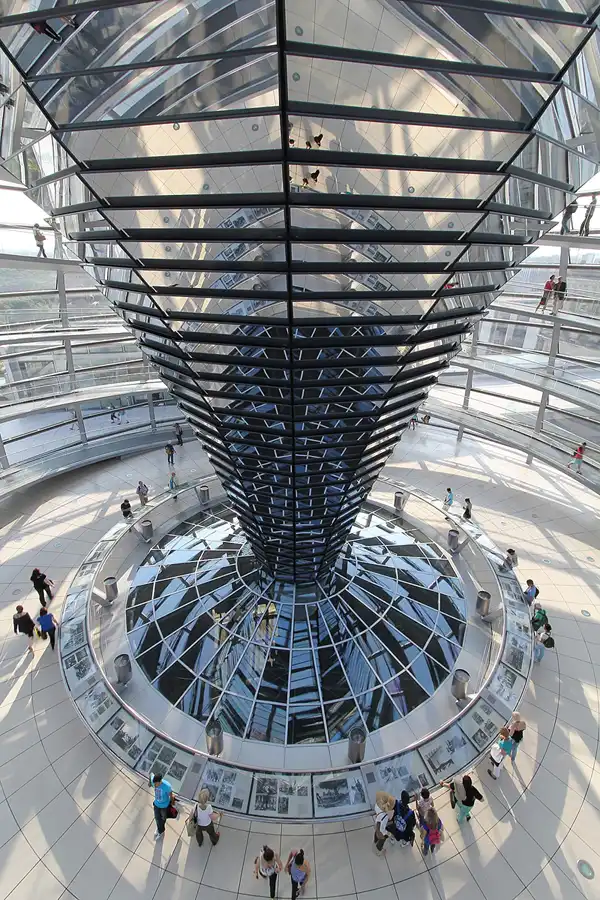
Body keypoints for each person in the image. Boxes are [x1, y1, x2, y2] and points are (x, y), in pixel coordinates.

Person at [151, 772, 173, 839]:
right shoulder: (153, 781)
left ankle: (161, 830)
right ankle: (159, 829)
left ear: (160, 781)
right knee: (157, 817)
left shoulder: (167, 786)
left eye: (156, 783)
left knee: (163, 818)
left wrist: (171, 803)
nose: (155, 785)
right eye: (154, 783)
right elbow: (151, 775)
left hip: (164, 806)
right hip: (157, 804)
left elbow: (171, 795)